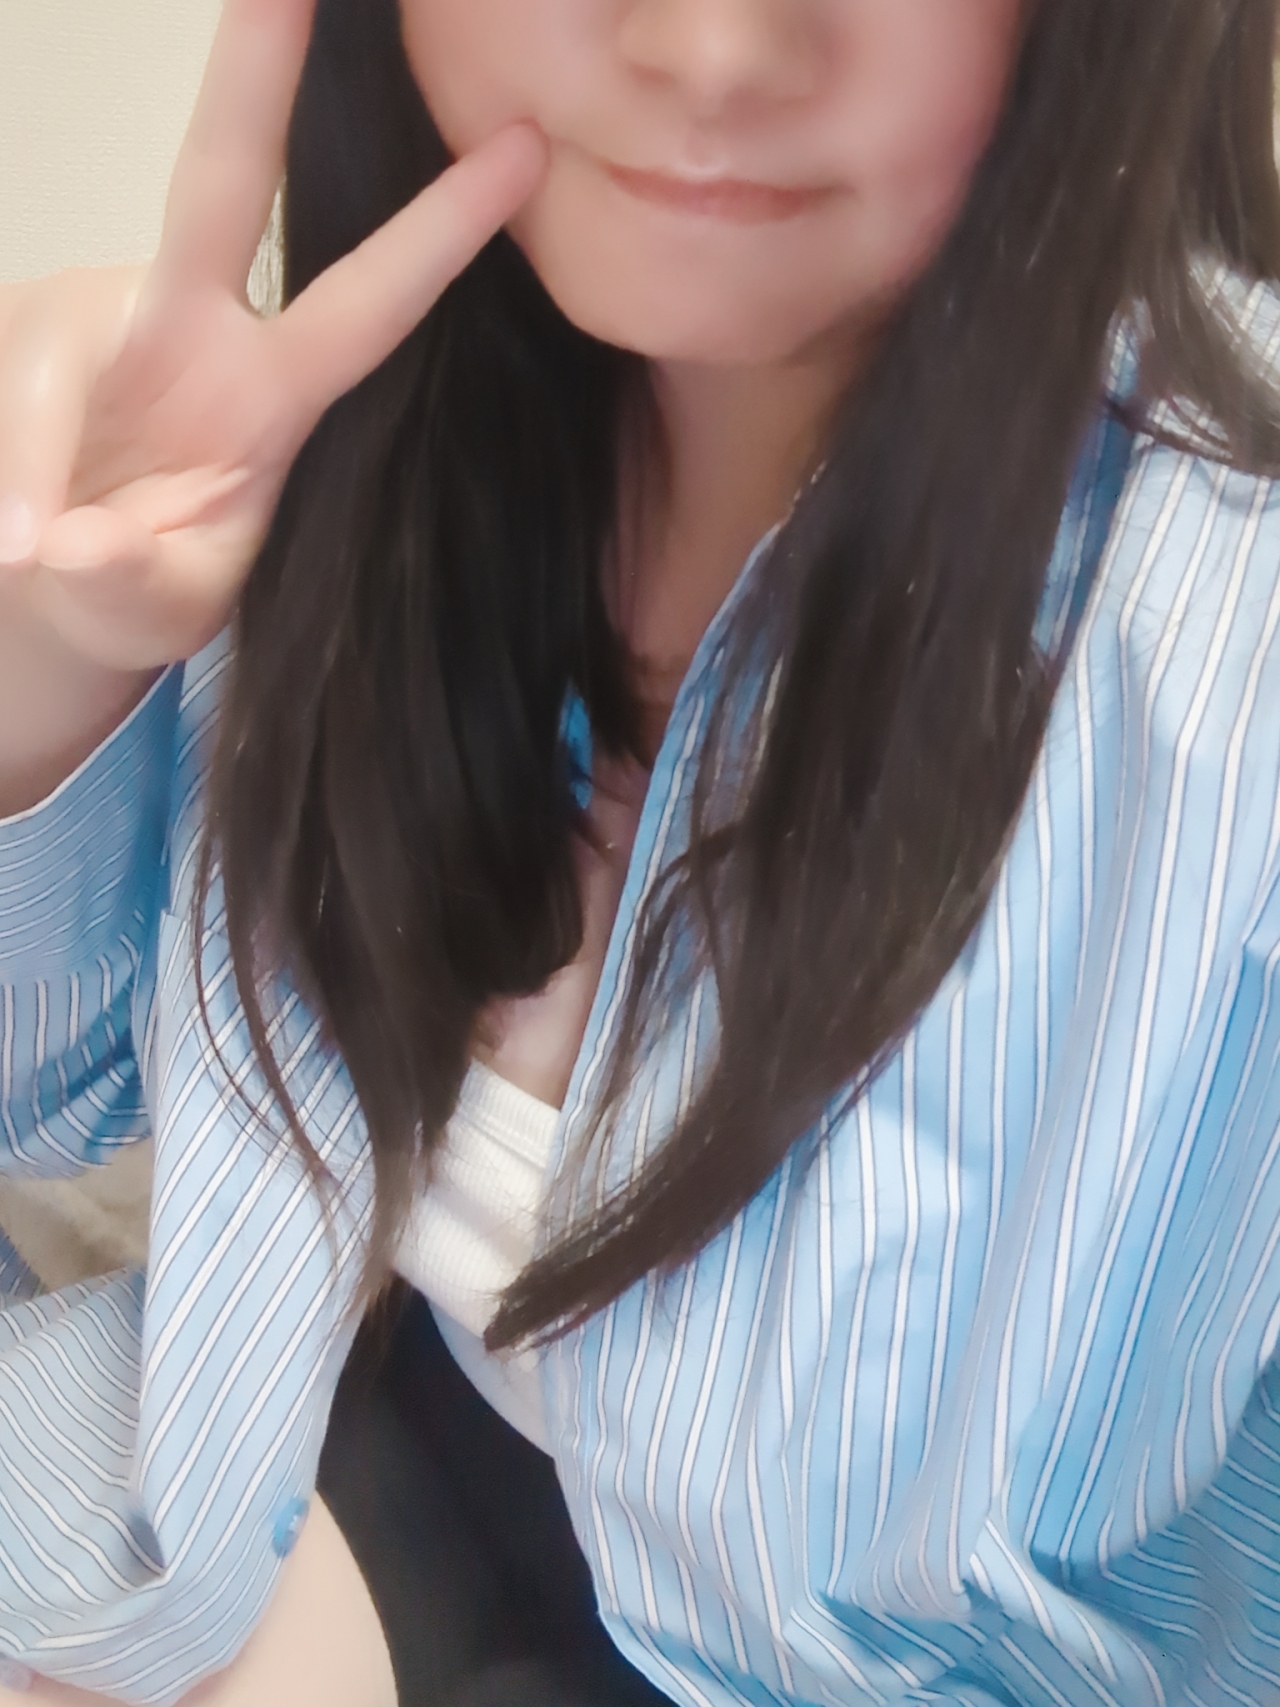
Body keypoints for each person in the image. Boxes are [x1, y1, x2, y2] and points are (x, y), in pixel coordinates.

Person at [2, 0, 1280, 1701]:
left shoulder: (1226, 663)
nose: (708, 48)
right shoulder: (386, 398)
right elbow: (62, 1096)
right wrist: (53, 661)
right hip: (293, 1462)